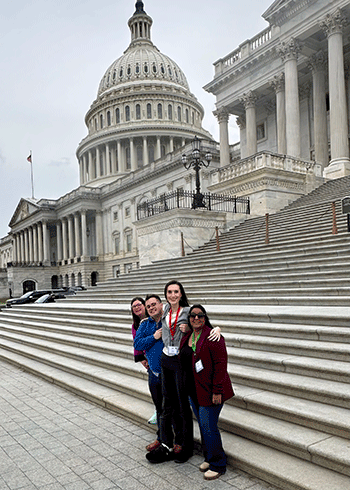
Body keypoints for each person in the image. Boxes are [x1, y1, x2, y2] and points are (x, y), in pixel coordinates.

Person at [146, 280, 221, 464]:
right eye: (169, 292)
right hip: (165, 360)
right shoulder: (164, 311)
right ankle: (168, 443)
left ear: (181, 294)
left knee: (182, 404)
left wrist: (216, 329)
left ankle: (185, 446)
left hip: (179, 361)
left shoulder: (188, 312)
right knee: (167, 403)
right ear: (166, 295)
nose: (172, 295)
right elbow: (146, 316)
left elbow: (204, 323)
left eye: (176, 292)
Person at [180, 304, 234, 481]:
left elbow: (220, 366)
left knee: (209, 426)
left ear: (205, 317)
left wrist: (217, 390)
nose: (196, 318)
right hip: (194, 390)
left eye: (200, 315)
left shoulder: (213, 337)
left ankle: (219, 464)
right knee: (204, 426)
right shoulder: (188, 336)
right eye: (193, 316)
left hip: (211, 391)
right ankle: (209, 458)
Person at [133, 294, 165, 452]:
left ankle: (177, 440)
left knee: (173, 407)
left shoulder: (168, 320)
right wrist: (153, 337)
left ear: (161, 305)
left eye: (154, 304)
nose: (151, 308)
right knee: (159, 406)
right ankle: (161, 438)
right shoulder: (145, 324)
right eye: (149, 306)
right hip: (154, 372)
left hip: (170, 373)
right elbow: (137, 343)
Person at [130, 297, 156, 425]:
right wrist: (141, 359)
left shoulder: (153, 319)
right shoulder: (135, 325)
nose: (137, 308)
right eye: (134, 307)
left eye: (139, 305)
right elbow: (136, 344)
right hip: (148, 358)